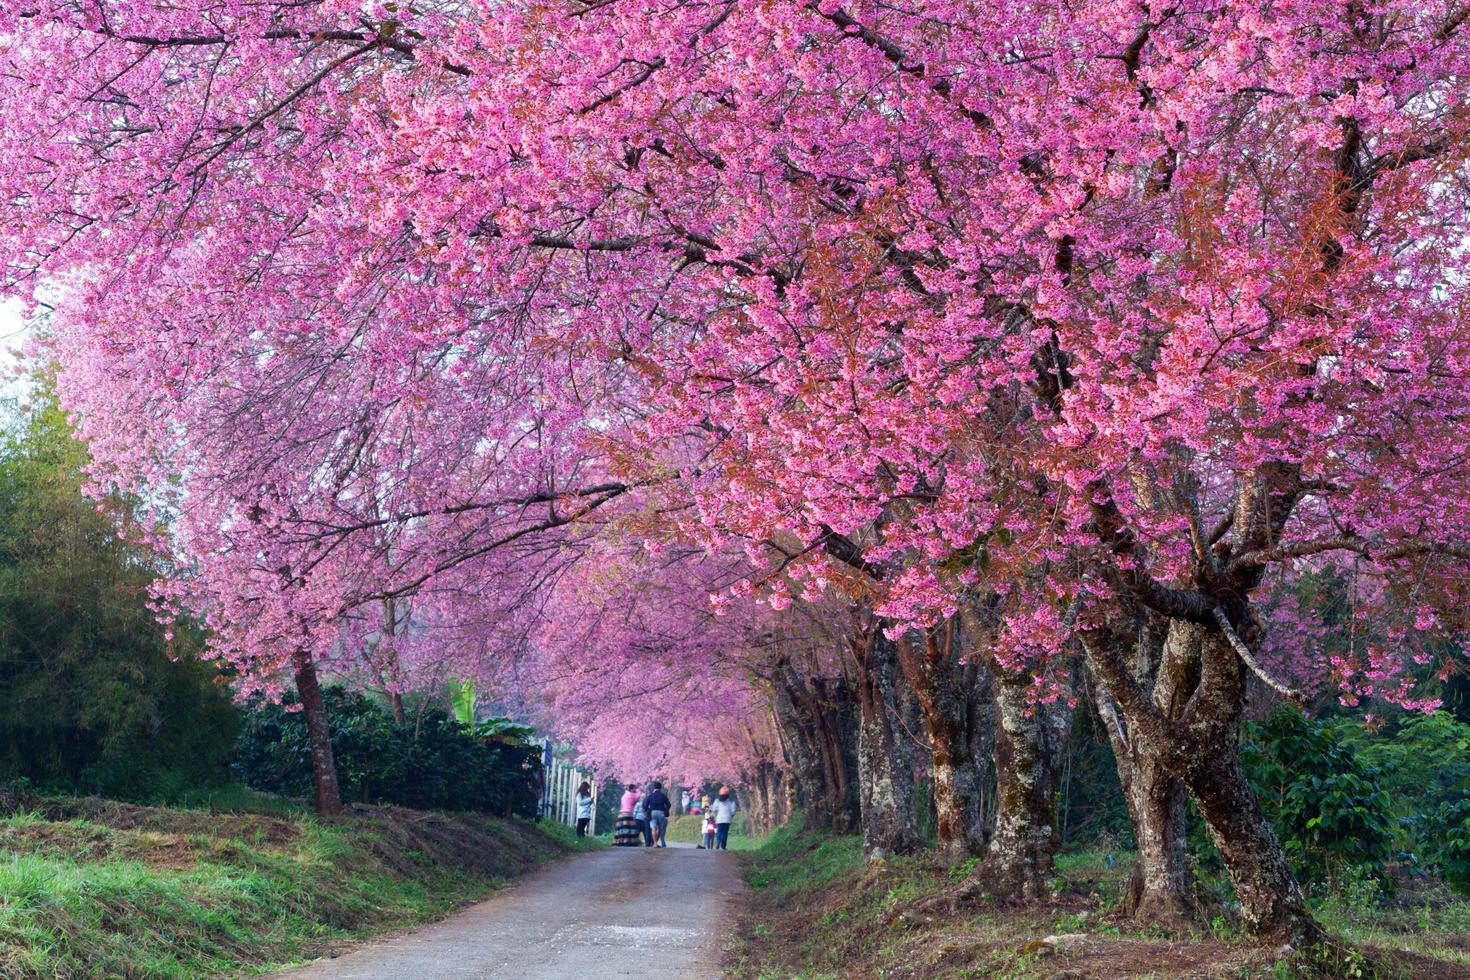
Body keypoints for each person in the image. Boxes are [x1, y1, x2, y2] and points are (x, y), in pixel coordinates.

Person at [644, 781, 672, 848]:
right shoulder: (663, 796)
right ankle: (657, 842)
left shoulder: (650, 796)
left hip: (652, 812)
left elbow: (645, 806)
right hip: (661, 812)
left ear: (654, 787)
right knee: (660, 828)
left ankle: (655, 843)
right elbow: (669, 804)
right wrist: (665, 809)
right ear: (661, 788)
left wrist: (648, 810)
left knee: (653, 828)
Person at [614, 783, 642, 847]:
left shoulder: (624, 795)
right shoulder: (633, 795)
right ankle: (628, 841)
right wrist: (637, 791)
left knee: (622, 828)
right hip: (628, 813)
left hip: (621, 813)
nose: (635, 790)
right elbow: (638, 797)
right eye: (635, 789)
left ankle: (620, 841)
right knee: (630, 828)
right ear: (632, 789)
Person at [712, 785, 739, 851]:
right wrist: (732, 815)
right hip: (727, 818)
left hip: (719, 818)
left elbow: (714, 809)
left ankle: (718, 842)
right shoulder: (731, 801)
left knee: (719, 831)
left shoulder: (717, 801)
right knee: (724, 832)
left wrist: (715, 815)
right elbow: (733, 810)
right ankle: (723, 846)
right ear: (728, 794)